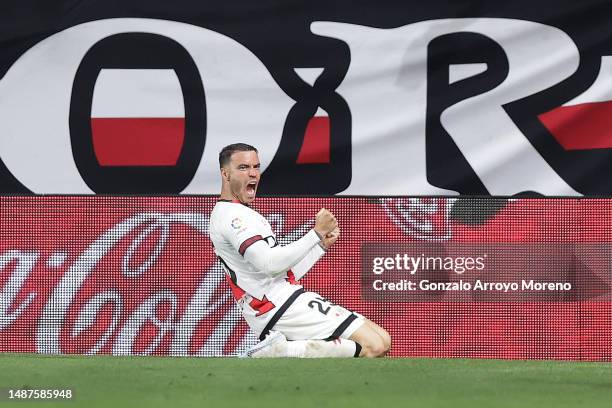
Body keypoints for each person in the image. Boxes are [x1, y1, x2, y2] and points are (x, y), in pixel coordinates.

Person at [209, 143, 391, 358]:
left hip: (282, 299)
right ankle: (281, 350)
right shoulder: (233, 217)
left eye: (256, 166)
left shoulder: (239, 212)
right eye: (243, 167)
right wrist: (314, 233)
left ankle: (283, 350)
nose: (253, 173)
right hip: (275, 306)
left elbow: (282, 274)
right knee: (375, 345)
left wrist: (320, 246)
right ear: (225, 174)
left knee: (383, 339)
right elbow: (269, 264)